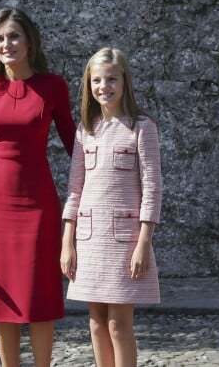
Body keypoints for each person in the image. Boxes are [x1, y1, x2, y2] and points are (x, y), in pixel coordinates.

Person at [0, 8, 76, 367]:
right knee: (1, 300)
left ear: (29, 41)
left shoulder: (53, 86)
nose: (6, 44)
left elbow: (75, 144)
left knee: (40, 298)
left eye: (13, 37)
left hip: (37, 202)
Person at [60, 47, 162, 367]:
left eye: (112, 79)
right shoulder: (85, 130)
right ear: (89, 85)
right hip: (90, 241)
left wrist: (143, 243)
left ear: (125, 82)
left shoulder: (141, 127)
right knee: (96, 322)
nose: (104, 86)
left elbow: (153, 187)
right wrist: (68, 242)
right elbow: (75, 189)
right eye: (97, 80)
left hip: (124, 241)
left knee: (119, 324)